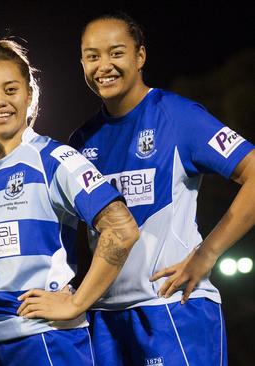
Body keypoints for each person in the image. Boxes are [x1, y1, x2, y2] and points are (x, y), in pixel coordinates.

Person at [70, 12, 255, 365]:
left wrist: (207, 253)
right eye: (92, 56)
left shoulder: (178, 115)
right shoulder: (81, 140)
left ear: (140, 56)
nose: (103, 65)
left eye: (116, 52)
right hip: (105, 318)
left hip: (172, 309)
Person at [0, 39, 139, 365]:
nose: (0, 101)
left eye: (11, 89)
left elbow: (121, 229)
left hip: (45, 340)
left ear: (30, 95)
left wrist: (76, 304)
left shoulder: (55, 159)